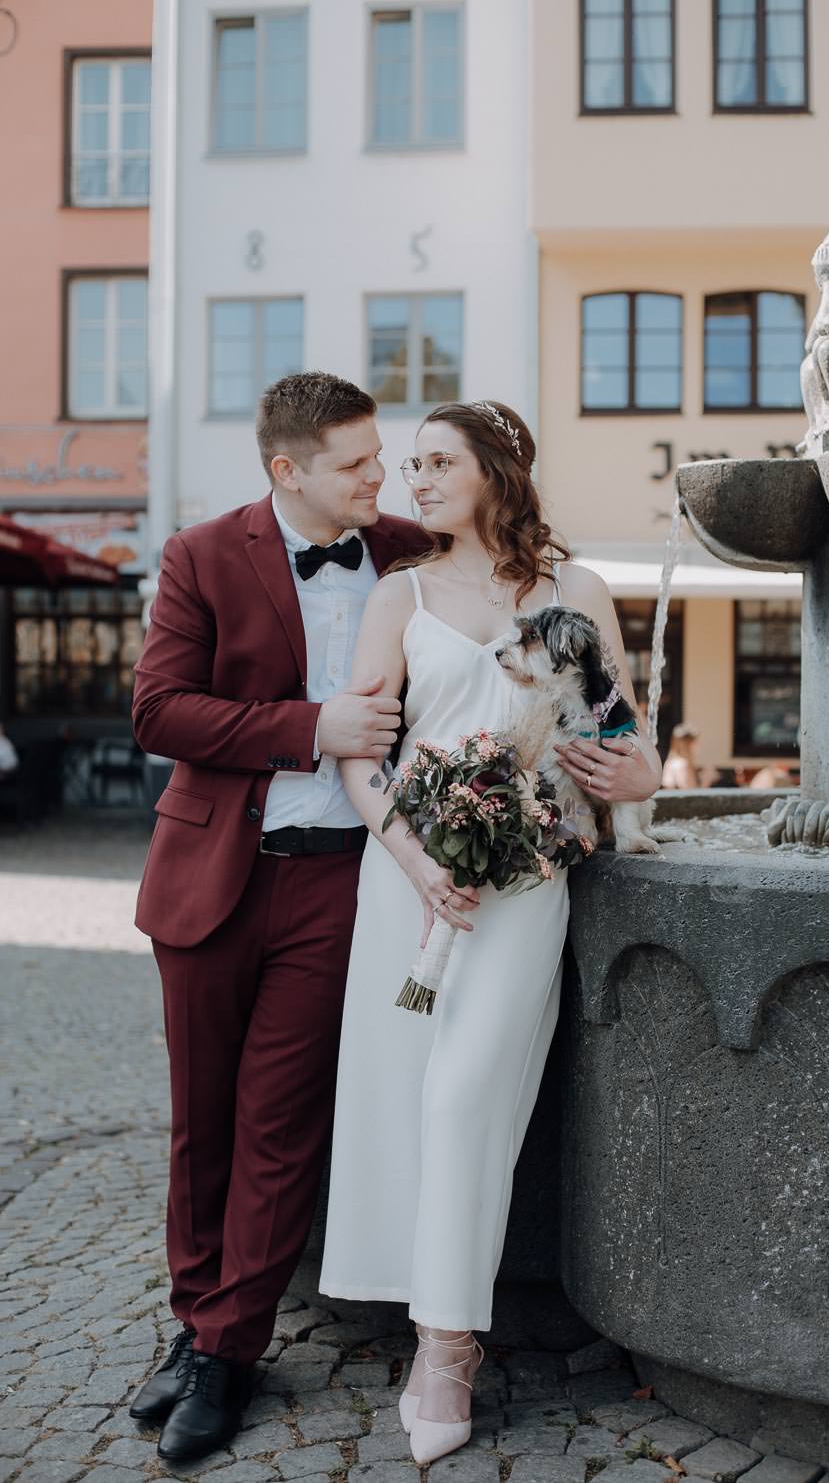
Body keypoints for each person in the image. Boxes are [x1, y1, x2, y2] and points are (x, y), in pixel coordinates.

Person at [318, 400, 662, 1466]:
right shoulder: (400, 594)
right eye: (409, 463)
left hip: (527, 885)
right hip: (407, 883)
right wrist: (419, 861)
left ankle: (448, 1347)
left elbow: (630, 742)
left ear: (495, 469)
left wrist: (632, 773)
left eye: (435, 462)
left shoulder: (577, 592)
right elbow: (361, 757)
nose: (413, 480)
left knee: (469, 1095)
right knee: (402, 1100)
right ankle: (418, 1310)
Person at [128, 373, 428, 1463]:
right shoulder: (202, 554)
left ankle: (229, 1351)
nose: (377, 477)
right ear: (285, 469)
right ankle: (198, 1321)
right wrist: (316, 726)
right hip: (214, 873)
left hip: (339, 884)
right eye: (354, 463)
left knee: (277, 1126)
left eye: (380, 456)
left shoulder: (408, 548)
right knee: (199, 1123)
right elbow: (159, 709)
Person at [661, 723, 700, 789]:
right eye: (694, 742)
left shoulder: (670, 762)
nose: (697, 746)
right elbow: (690, 794)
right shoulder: (682, 764)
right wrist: (707, 780)